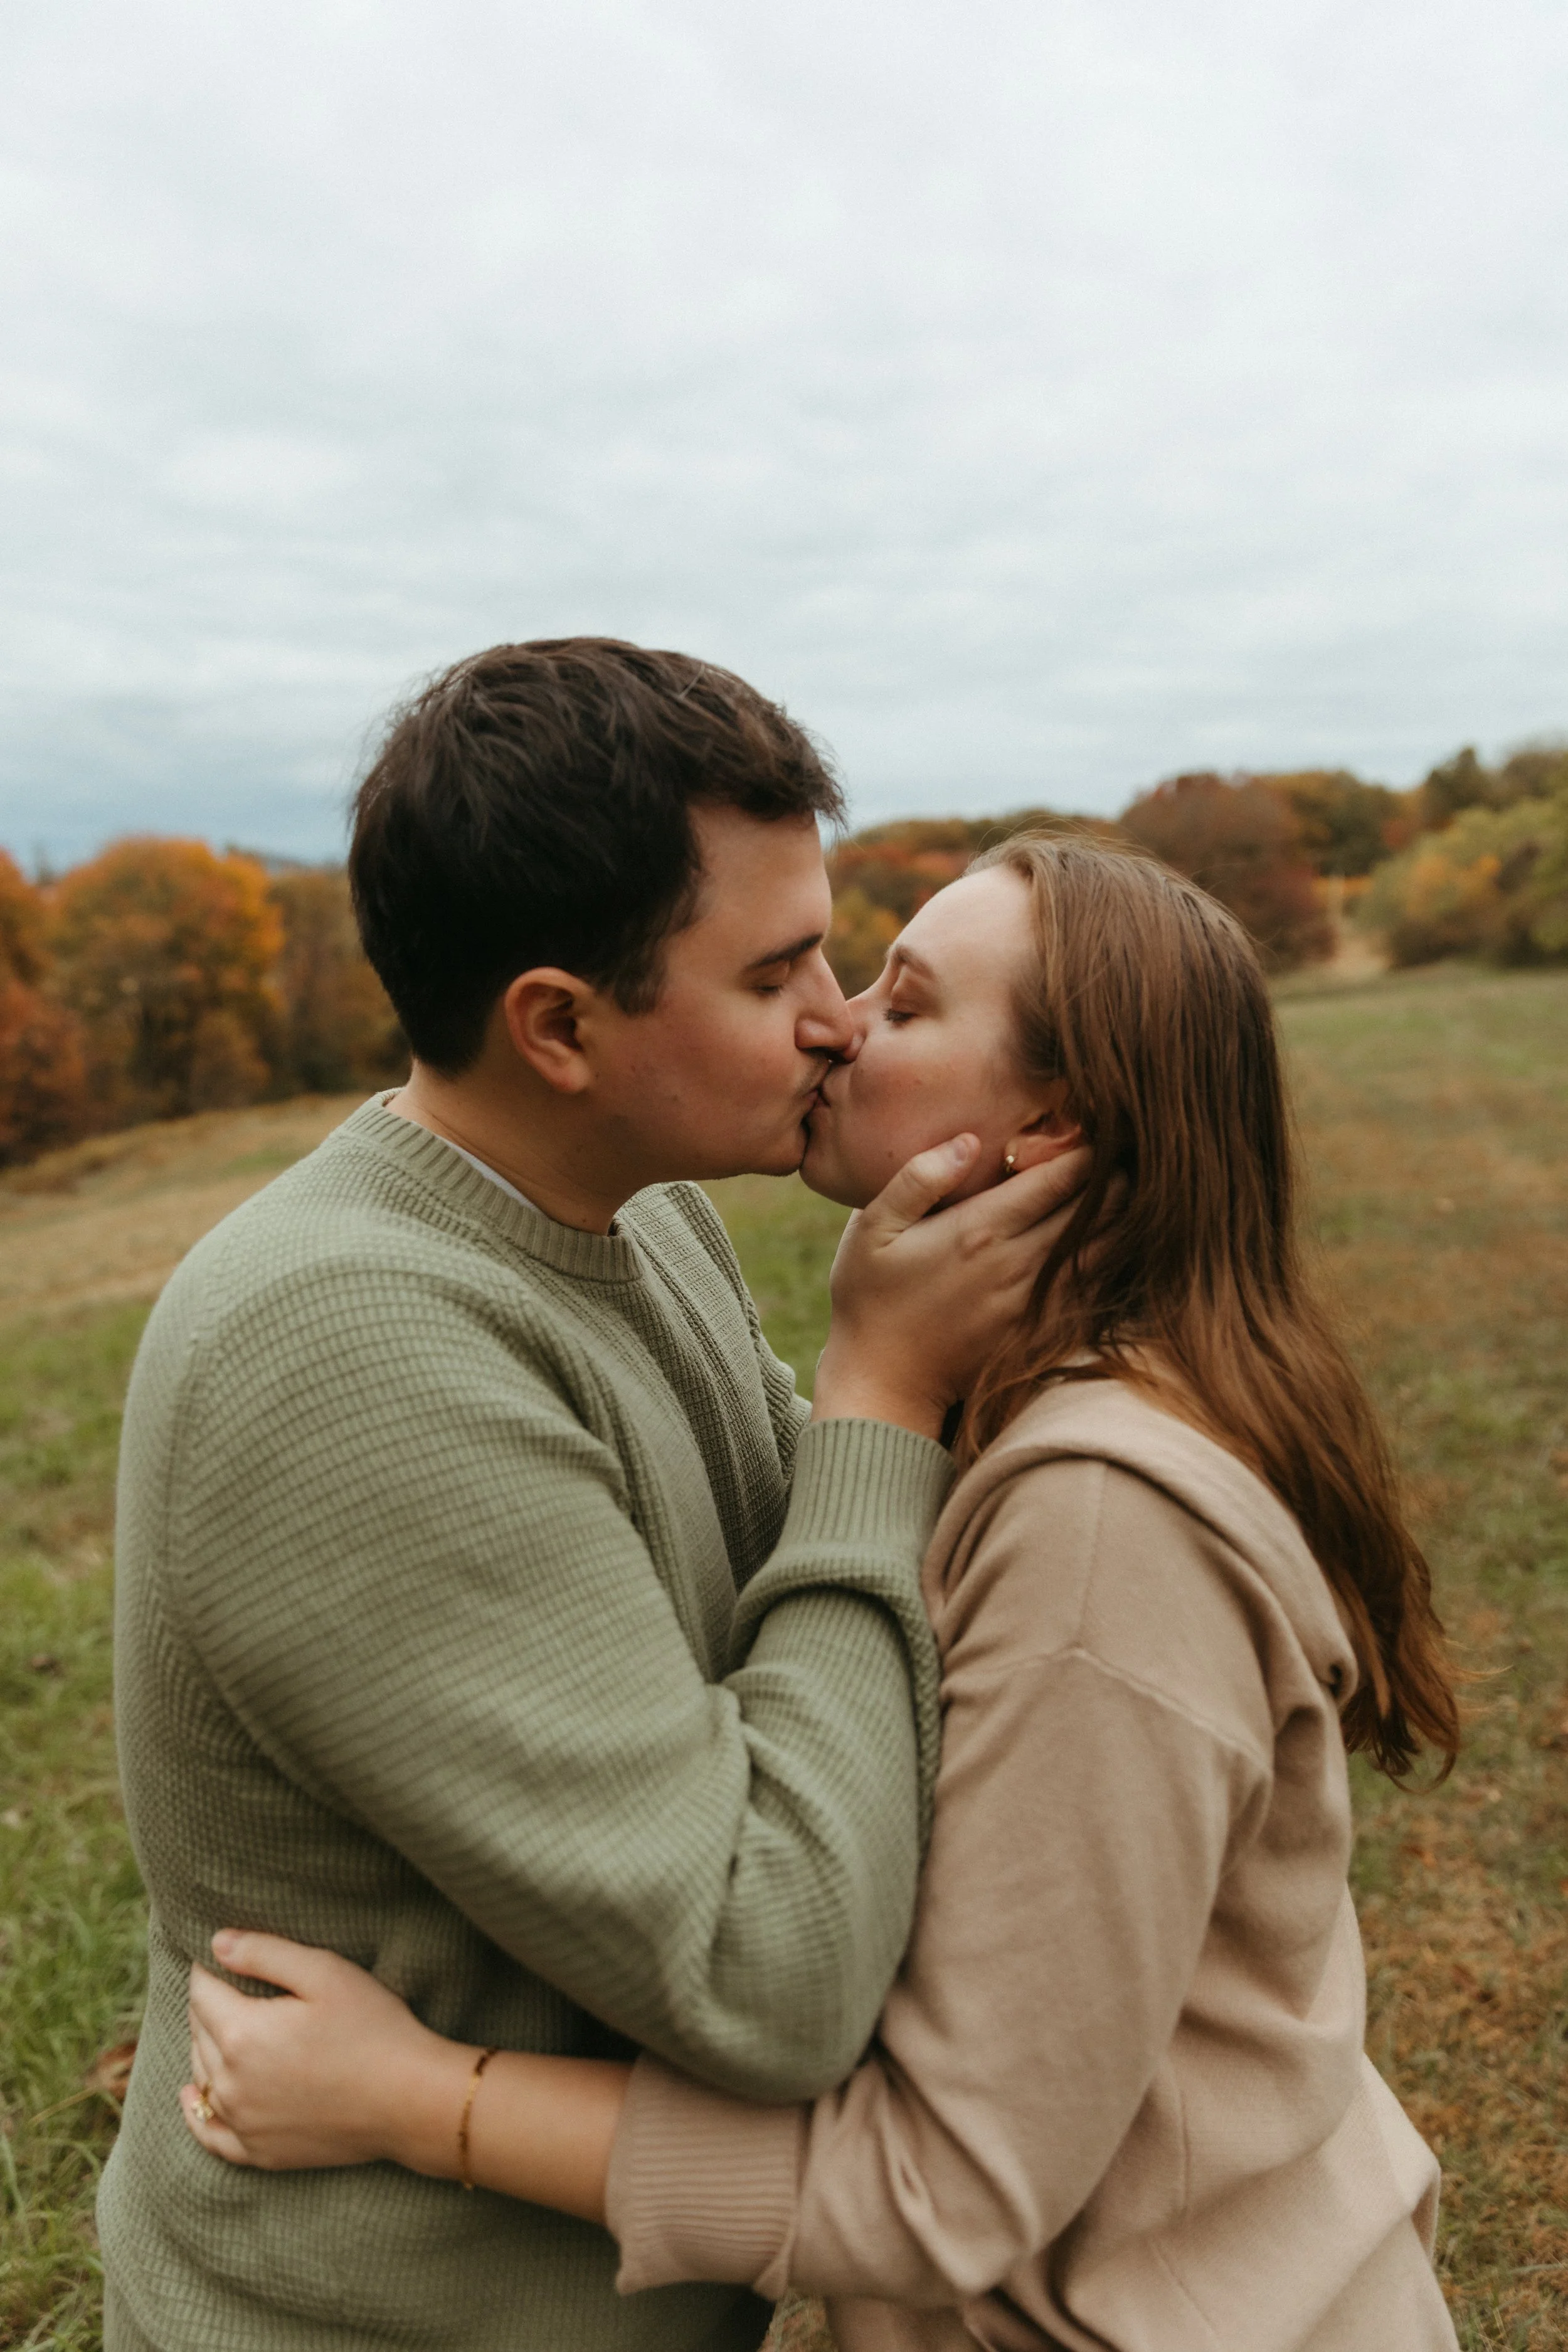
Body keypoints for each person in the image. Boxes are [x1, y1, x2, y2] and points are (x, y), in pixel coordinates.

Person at [182, 835, 1463, 2352]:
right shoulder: (1030, 1415)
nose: (842, 1022)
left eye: (903, 1006)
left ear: (1044, 1127)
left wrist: (421, 2101)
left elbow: (940, 2183)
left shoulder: (1101, 1526)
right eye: (830, 974)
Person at [101, 640, 1086, 2352]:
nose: (838, 1016)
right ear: (558, 1023)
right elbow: (772, 1969)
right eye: (774, 968)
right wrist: (876, 1391)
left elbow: (820, 1603)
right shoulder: (341, 1349)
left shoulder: (636, 1218)